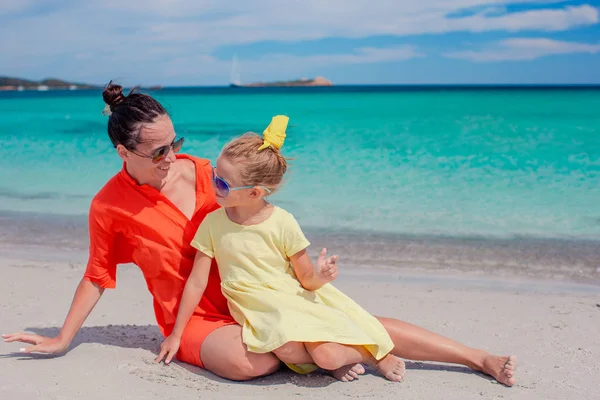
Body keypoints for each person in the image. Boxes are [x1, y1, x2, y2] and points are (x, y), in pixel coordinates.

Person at [2, 83, 517, 386]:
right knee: (246, 363)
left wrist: (308, 273)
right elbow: (97, 275)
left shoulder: (208, 172)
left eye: (175, 142)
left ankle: (477, 358)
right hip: (200, 317)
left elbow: (260, 198)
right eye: (158, 152)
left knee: (345, 320)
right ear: (123, 152)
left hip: (263, 294)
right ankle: (345, 349)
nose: (173, 156)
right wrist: (63, 338)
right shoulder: (109, 206)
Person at [155, 116, 405, 382]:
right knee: (288, 348)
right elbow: (196, 281)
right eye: (214, 175)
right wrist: (177, 334)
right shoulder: (213, 223)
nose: (213, 184)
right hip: (255, 307)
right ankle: (338, 360)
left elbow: (306, 279)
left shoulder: (283, 221)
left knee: (326, 355)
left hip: (288, 301)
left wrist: (321, 277)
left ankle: (373, 356)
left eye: (222, 183)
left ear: (254, 193)